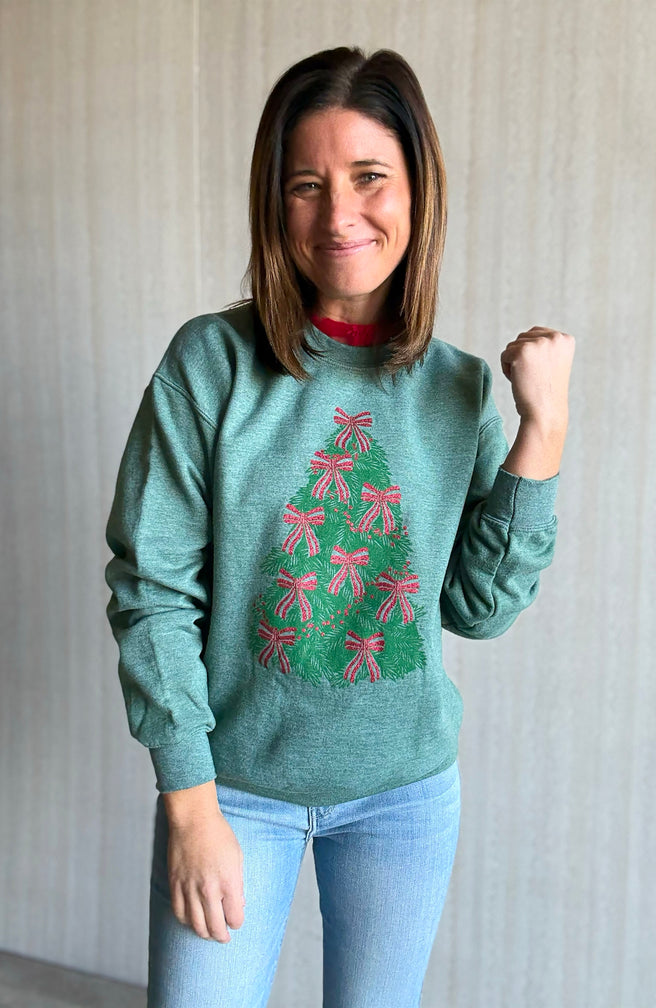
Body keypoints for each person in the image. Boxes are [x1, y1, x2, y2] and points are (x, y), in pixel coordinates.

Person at [104, 46, 574, 1008]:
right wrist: (189, 801)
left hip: (405, 797)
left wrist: (544, 432)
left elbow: (477, 610)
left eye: (370, 178)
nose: (338, 215)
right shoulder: (211, 365)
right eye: (306, 185)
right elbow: (151, 589)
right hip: (233, 793)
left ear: (417, 190)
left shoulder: (458, 387)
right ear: (274, 203)